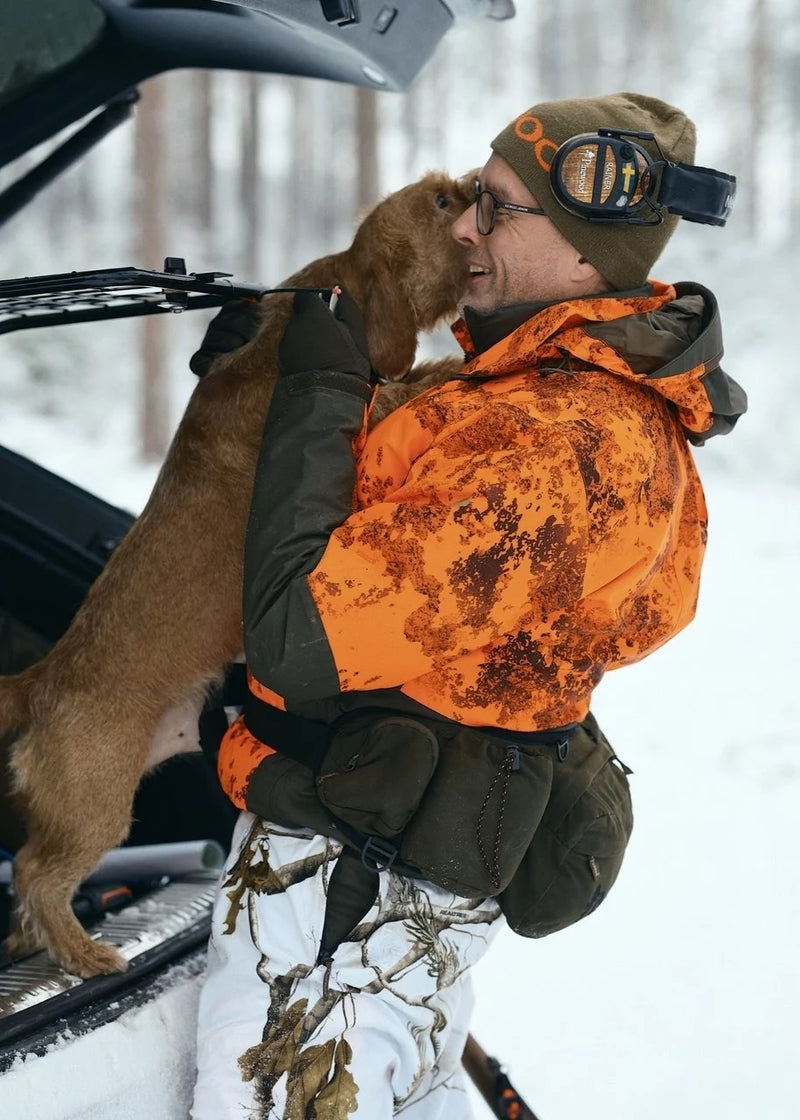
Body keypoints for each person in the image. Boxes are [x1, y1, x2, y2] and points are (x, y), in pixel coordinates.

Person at [191, 92, 746, 1118]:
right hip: (387, 891)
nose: (460, 228)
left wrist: (318, 389)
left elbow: (298, 632)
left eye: (494, 208)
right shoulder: (546, 404)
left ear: (584, 255)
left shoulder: (554, 443)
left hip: (339, 895)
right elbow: (641, 609)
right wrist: (280, 380)